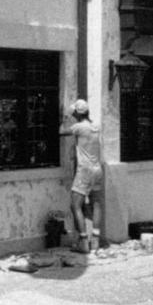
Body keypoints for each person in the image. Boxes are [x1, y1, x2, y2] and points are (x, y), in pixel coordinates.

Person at [60, 100, 105, 253]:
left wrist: (65, 118)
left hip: (84, 170)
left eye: (74, 113)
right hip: (97, 169)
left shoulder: (79, 127)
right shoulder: (95, 126)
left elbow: (61, 131)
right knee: (96, 203)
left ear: (77, 114)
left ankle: (84, 241)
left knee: (75, 205)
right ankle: (96, 240)